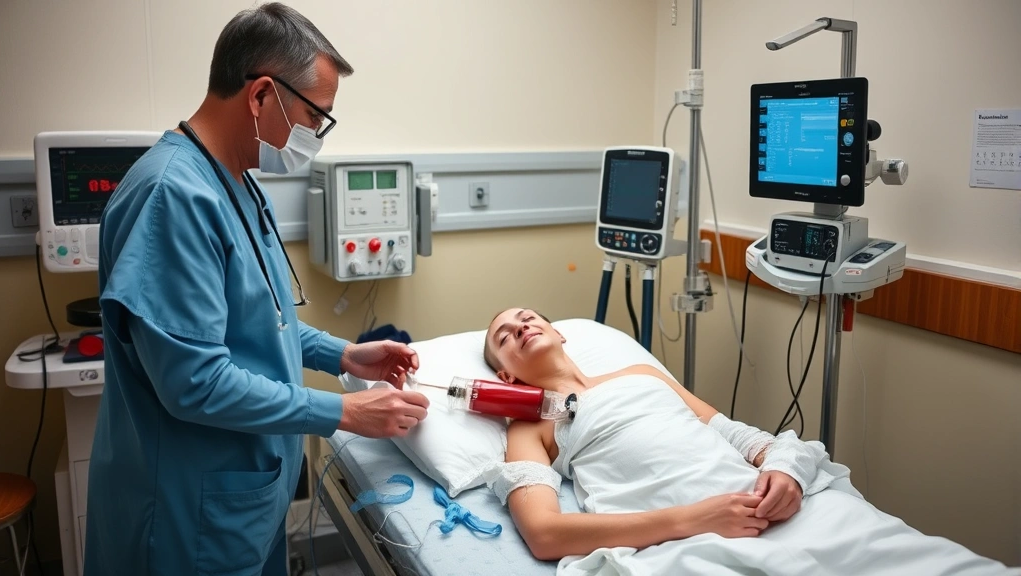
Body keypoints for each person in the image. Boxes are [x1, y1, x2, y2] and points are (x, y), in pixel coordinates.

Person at [84, 4, 430, 575]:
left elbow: (262, 321)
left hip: (242, 501)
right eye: (315, 116)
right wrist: (342, 411)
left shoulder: (236, 181)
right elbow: (195, 383)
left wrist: (340, 353)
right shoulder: (172, 197)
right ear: (263, 95)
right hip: (186, 516)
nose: (315, 136)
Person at [482, 308, 1019, 575]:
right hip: (690, 543)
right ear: (504, 376)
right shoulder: (531, 426)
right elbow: (546, 534)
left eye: (527, 315)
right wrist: (699, 519)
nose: (520, 324)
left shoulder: (641, 375)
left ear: (562, 332)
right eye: (503, 336)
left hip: (778, 508)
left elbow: (745, 439)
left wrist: (786, 471)